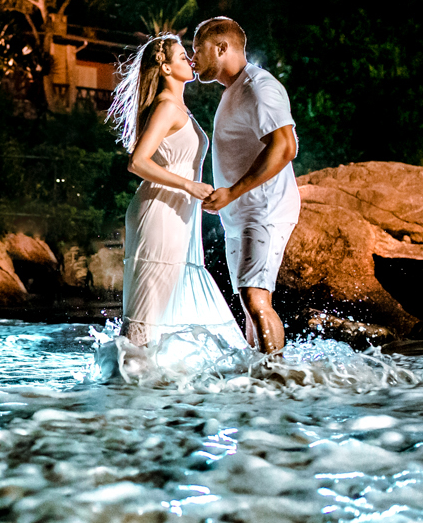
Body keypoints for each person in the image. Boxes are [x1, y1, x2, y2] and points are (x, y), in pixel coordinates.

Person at [108, 34, 247, 350]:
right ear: (167, 68)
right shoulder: (166, 107)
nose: (191, 60)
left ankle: (142, 383)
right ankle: (122, 385)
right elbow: (137, 162)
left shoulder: (178, 108)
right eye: (184, 56)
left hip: (176, 214)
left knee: (155, 314)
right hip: (159, 212)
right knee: (144, 316)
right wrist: (189, 186)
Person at [192, 17, 299, 354]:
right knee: (249, 304)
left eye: (198, 50)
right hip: (239, 216)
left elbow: (285, 147)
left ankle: (277, 379)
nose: (193, 59)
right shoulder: (233, 91)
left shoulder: (258, 87)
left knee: (256, 298)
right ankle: (261, 383)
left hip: (265, 210)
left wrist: (232, 192)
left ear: (221, 48)